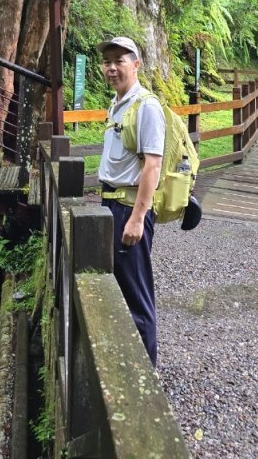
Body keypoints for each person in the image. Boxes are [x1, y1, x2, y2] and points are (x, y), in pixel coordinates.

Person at [98, 35, 165, 366]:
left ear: (136, 64)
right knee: (117, 289)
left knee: (136, 295)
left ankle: (145, 377)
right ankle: (125, 363)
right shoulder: (118, 103)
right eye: (107, 62)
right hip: (111, 206)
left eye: (119, 61)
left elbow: (153, 165)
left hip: (128, 209)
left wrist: (137, 218)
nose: (112, 68)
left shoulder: (146, 106)